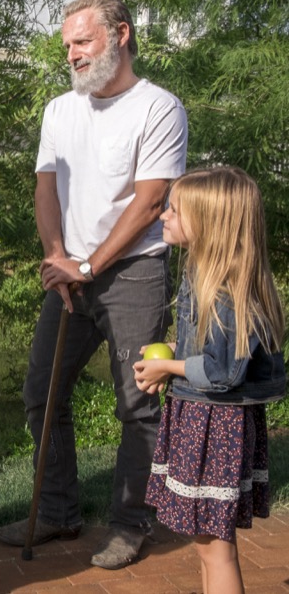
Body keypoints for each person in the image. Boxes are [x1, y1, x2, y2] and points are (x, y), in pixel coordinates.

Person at [0, 0, 188, 570]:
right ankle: (58, 511)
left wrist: (89, 264)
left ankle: (131, 524)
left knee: (137, 402)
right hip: (70, 277)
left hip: (135, 273)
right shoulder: (60, 109)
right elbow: (45, 187)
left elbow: (151, 202)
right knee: (43, 393)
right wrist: (57, 256)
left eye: (83, 41)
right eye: (68, 46)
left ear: (121, 34)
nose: (73, 55)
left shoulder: (159, 107)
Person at [134, 166, 285, 594]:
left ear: (209, 223)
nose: (164, 215)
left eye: (175, 210)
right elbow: (210, 354)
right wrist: (170, 356)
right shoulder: (205, 275)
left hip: (215, 428)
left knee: (216, 548)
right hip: (205, 420)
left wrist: (170, 368)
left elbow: (221, 371)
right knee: (207, 544)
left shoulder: (225, 290)